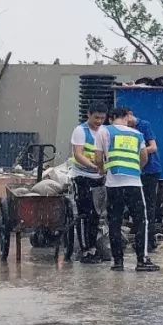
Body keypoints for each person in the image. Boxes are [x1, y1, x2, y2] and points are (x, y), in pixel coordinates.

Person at [98, 107, 158, 272]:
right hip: (134, 184)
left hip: (113, 185)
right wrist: (136, 169)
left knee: (115, 222)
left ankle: (118, 262)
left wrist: (102, 170)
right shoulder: (136, 134)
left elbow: (98, 157)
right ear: (126, 117)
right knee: (141, 221)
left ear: (111, 118)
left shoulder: (104, 131)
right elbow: (144, 156)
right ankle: (142, 260)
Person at [69, 100, 108, 263]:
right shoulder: (80, 131)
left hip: (100, 178)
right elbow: (78, 154)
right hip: (83, 177)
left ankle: (95, 247)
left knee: (97, 215)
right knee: (86, 214)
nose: (99, 121)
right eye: (96, 118)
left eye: (102, 118)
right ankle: (86, 250)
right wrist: (93, 166)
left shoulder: (105, 131)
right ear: (88, 115)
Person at [128, 110, 161, 252]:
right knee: (138, 206)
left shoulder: (144, 125)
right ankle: (142, 238)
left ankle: (149, 240)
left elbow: (153, 147)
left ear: (130, 114)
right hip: (137, 171)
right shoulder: (127, 130)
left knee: (149, 206)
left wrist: (138, 152)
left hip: (150, 171)